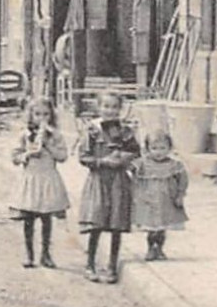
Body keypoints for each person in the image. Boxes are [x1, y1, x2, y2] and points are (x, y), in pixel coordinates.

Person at [78, 91, 139, 284]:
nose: (110, 111)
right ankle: (90, 264)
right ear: (99, 107)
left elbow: (135, 151)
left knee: (116, 223)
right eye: (106, 106)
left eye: (114, 107)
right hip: (99, 180)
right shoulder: (92, 130)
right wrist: (102, 161)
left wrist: (123, 157)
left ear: (120, 109)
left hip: (119, 181)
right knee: (96, 222)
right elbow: (83, 156)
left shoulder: (126, 131)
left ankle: (112, 265)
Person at [9, 97, 70, 269]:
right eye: (37, 114)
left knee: (46, 217)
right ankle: (29, 253)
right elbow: (14, 157)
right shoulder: (25, 134)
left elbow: (63, 156)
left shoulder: (56, 135)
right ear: (31, 115)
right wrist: (27, 154)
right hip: (31, 178)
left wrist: (47, 146)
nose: (41, 118)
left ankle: (46, 253)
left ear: (51, 115)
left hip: (48, 179)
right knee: (28, 218)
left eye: (45, 114)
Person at [132, 129, 189, 261]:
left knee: (162, 228)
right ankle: (151, 248)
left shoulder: (175, 165)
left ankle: (160, 249)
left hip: (167, 201)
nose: (158, 152)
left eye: (163, 148)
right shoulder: (142, 163)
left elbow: (183, 180)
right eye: (154, 148)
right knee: (151, 228)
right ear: (147, 149)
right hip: (148, 200)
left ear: (169, 148)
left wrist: (180, 195)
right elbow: (130, 171)